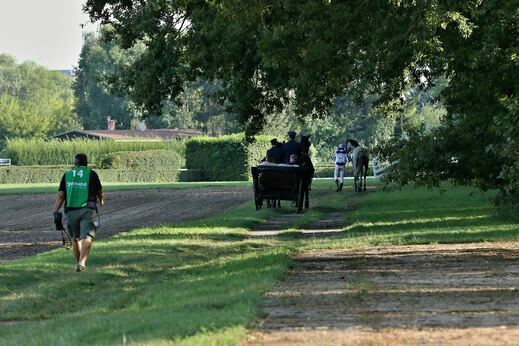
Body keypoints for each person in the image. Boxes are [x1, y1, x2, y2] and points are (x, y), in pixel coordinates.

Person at [53, 153, 104, 272]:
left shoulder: (67, 174)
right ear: (86, 163)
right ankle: (82, 263)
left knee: (76, 238)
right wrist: (101, 200)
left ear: (75, 163)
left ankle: (78, 263)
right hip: (88, 209)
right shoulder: (92, 174)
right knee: (87, 236)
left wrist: (55, 211)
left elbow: (61, 195)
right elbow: (100, 191)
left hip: (71, 211)